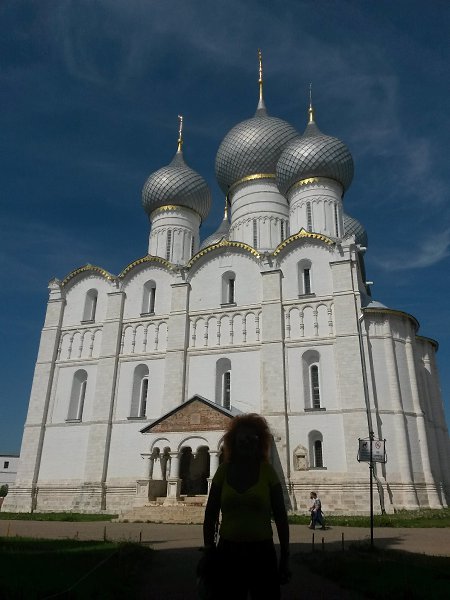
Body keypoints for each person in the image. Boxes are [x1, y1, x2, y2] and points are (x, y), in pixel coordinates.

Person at [202, 413, 291, 599]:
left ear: (260, 442)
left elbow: (281, 516)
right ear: (233, 442)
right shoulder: (223, 470)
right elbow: (210, 513)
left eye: (252, 438)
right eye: (242, 439)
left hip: (262, 552)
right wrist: (209, 549)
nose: (247, 443)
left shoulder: (268, 472)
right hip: (228, 551)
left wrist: (285, 556)